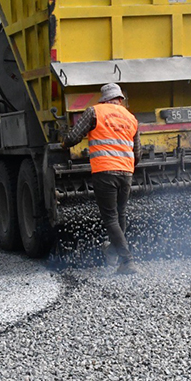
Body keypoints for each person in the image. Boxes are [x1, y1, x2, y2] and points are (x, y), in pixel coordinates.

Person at [62, 83, 141, 274]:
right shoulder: (131, 118)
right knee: (120, 214)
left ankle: (127, 261)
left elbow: (73, 137)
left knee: (111, 218)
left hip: (105, 172)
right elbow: (137, 153)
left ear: (103, 99)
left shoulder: (94, 112)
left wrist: (63, 143)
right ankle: (114, 252)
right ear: (120, 99)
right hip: (126, 172)